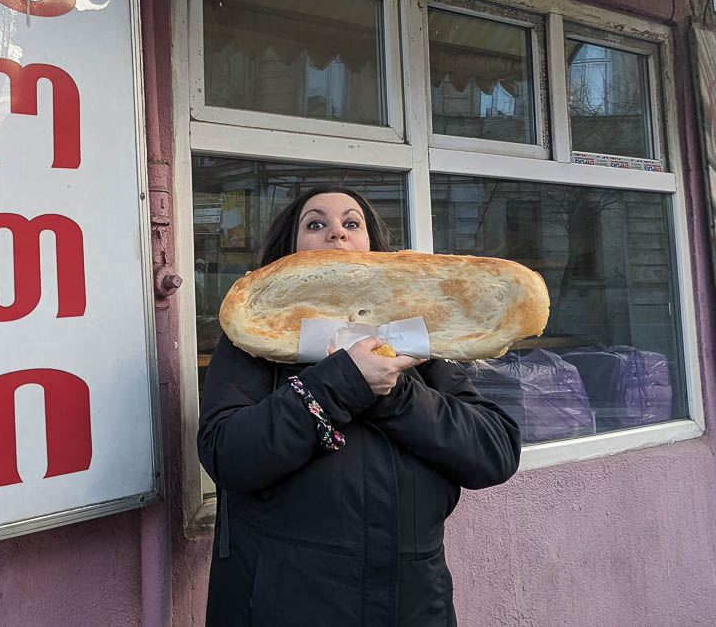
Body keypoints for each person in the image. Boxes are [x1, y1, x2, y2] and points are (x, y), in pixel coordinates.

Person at [198, 185, 521, 626]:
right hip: (286, 604)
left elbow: (494, 452)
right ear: (288, 252)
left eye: (352, 223)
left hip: (412, 606)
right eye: (316, 224)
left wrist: (393, 390)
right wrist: (344, 382)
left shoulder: (415, 342)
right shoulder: (255, 343)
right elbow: (229, 454)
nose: (337, 233)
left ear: (373, 249)